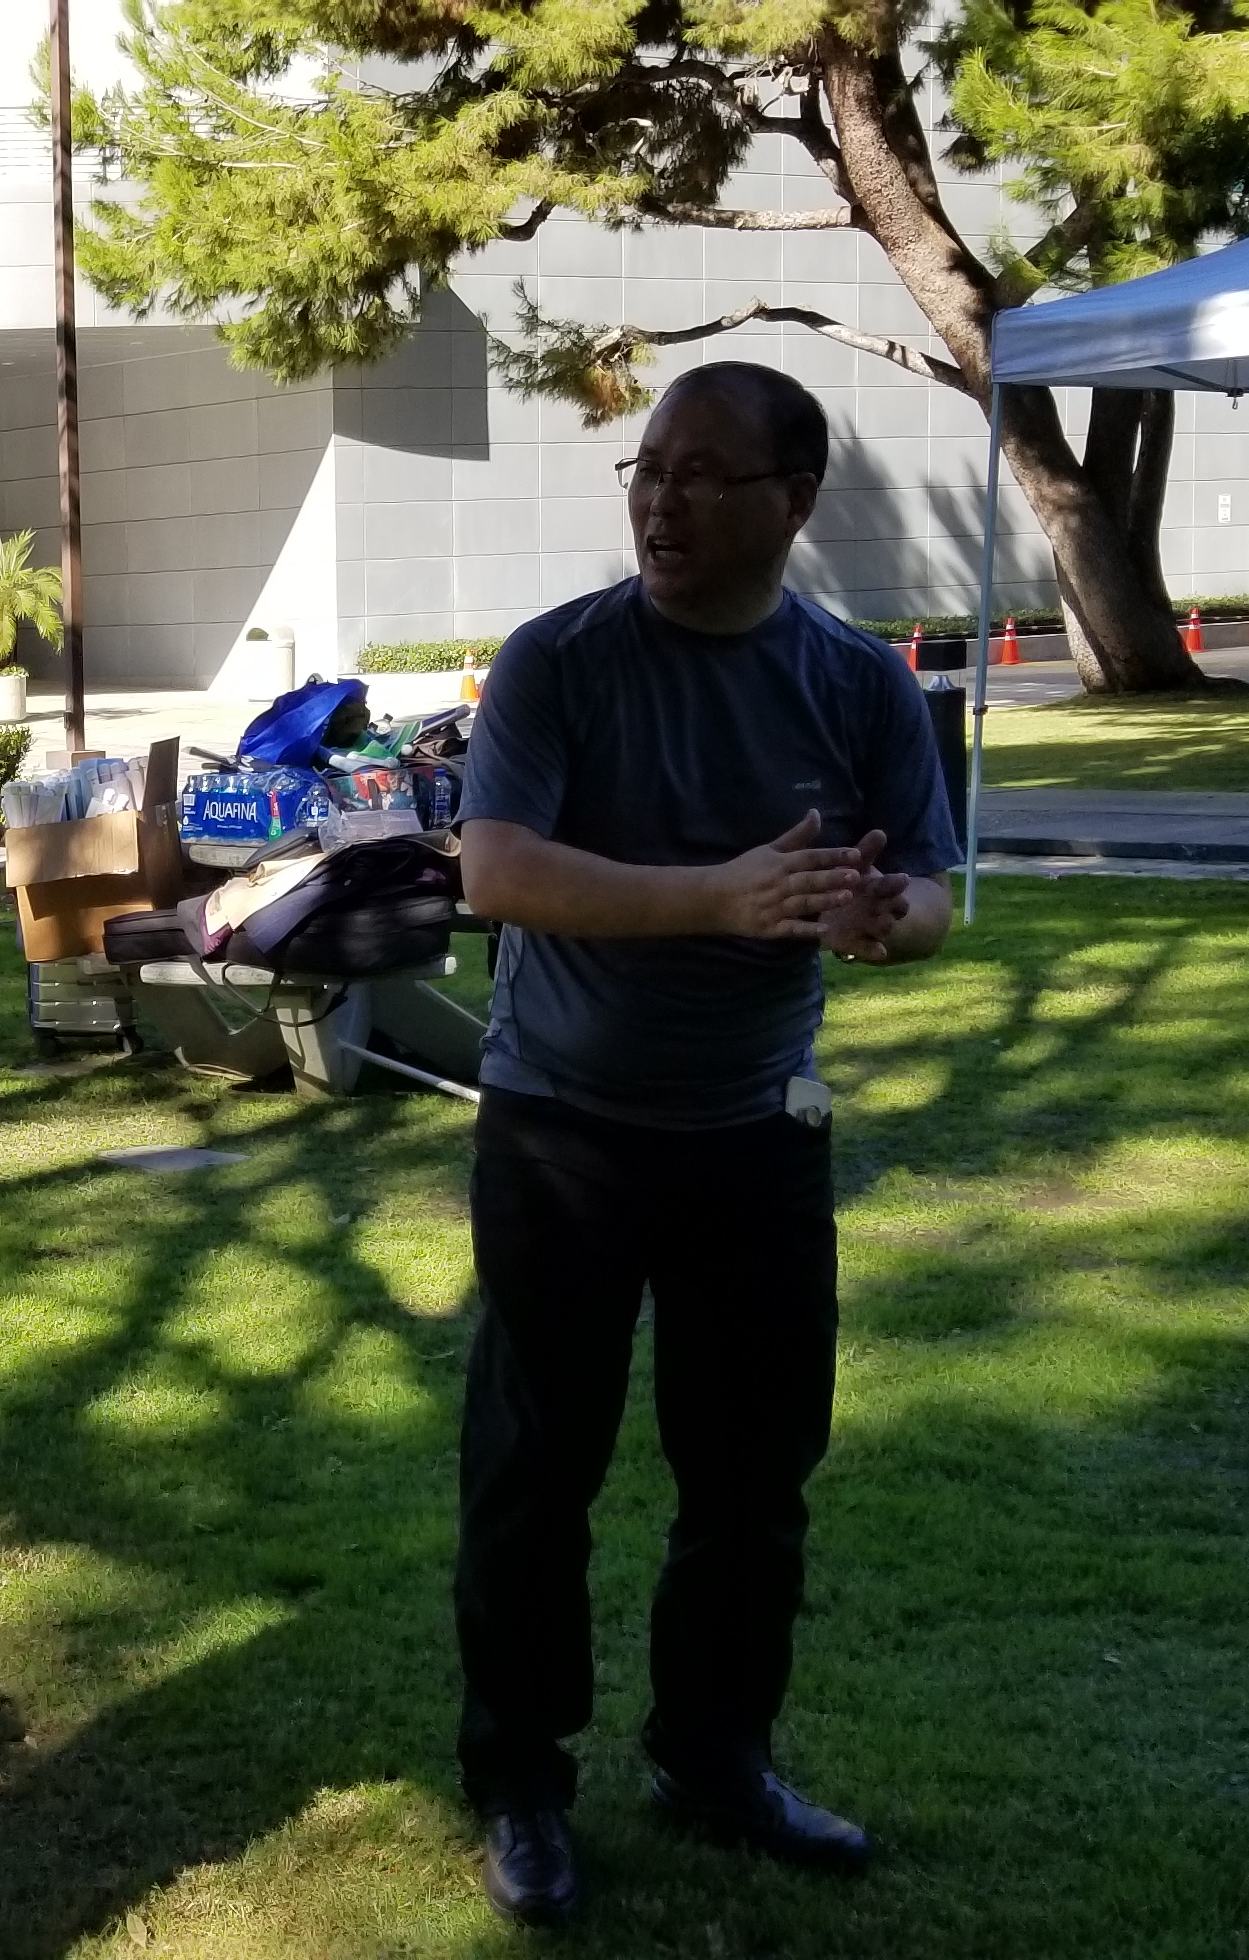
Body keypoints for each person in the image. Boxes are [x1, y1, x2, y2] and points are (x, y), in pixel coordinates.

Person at [446, 361, 959, 1925]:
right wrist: (717, 898)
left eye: (701, 476)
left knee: (751, 1480)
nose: (661, 503)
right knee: (536, 1473)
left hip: (756, 1135)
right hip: (563, 1133)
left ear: (793, 503)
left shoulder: (859, 685)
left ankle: (714, 1757)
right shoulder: (562, 661)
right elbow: (495, 871)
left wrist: (883, 916)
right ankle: (522, 1783)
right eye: (648, 470)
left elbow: (935, 896)